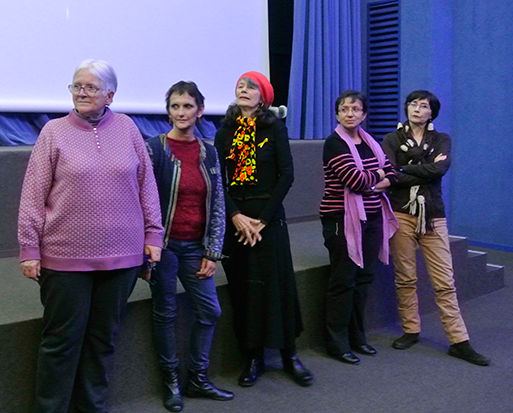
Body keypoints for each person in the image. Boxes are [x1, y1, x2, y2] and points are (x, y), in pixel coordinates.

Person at [17, 59, 164, 413]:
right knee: (61, 343)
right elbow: (33, 193)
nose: (82, 92)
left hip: (123, 258)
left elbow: (147, 187)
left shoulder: (128, 129)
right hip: (64, 259)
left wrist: (153, 236)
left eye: (91, 87)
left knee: (103, 341)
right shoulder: (53, 132)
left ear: (110, 94)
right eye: (77, 86)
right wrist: (29, 247)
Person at [214, 71, 313, 388]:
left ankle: (289, 355)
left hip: (268, 219)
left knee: (278, 288)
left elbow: (287, 176)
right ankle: (252, 357)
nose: (243, 89)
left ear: (263, 97)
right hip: (237, 220)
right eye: (240, 85)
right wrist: (236, 217)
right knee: (245, 291)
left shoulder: (275, 127)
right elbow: (218, 180)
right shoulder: (225, 130)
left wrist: (263, 219)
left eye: (251, 86)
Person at [381, 90, 490, 366]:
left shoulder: (441, 139)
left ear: (432, 113)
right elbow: (390, 174)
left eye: (424, 106)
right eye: (413, 104)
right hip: (401, 213)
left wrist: (408, 168)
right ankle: (411, 330)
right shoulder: (392, 138)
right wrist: (426, 167)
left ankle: (458, 341)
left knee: (444, 281)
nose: (417, 109)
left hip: (433, 215)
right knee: (405, 277)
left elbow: (440, 171)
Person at [145, 81, 233, 412]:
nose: (181, 112)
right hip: (164, 248)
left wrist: (213, 251)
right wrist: (148, 245)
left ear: (199, 110)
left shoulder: (209, 151)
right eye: (175, 106)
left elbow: (218, 203)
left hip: (196, 246)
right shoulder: (154, 148)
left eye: (187, 106)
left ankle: (198, 378)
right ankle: (171, 381)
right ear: (169, 111)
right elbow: (144, 200)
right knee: (165, 313)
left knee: (210, 311)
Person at [320, 90, 398, 365]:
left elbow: (393, 174)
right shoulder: (334, 143)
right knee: (343, 281)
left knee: (363, 279)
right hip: (342, 220)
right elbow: (355, 181)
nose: (350, 113)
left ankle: (356, 336)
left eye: (355, 109)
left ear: (364, 114)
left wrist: (374, 177)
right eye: (344, 109)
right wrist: (377, 176)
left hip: (373, 218)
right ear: (338, 114)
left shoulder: (370, 143)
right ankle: (336, 342)